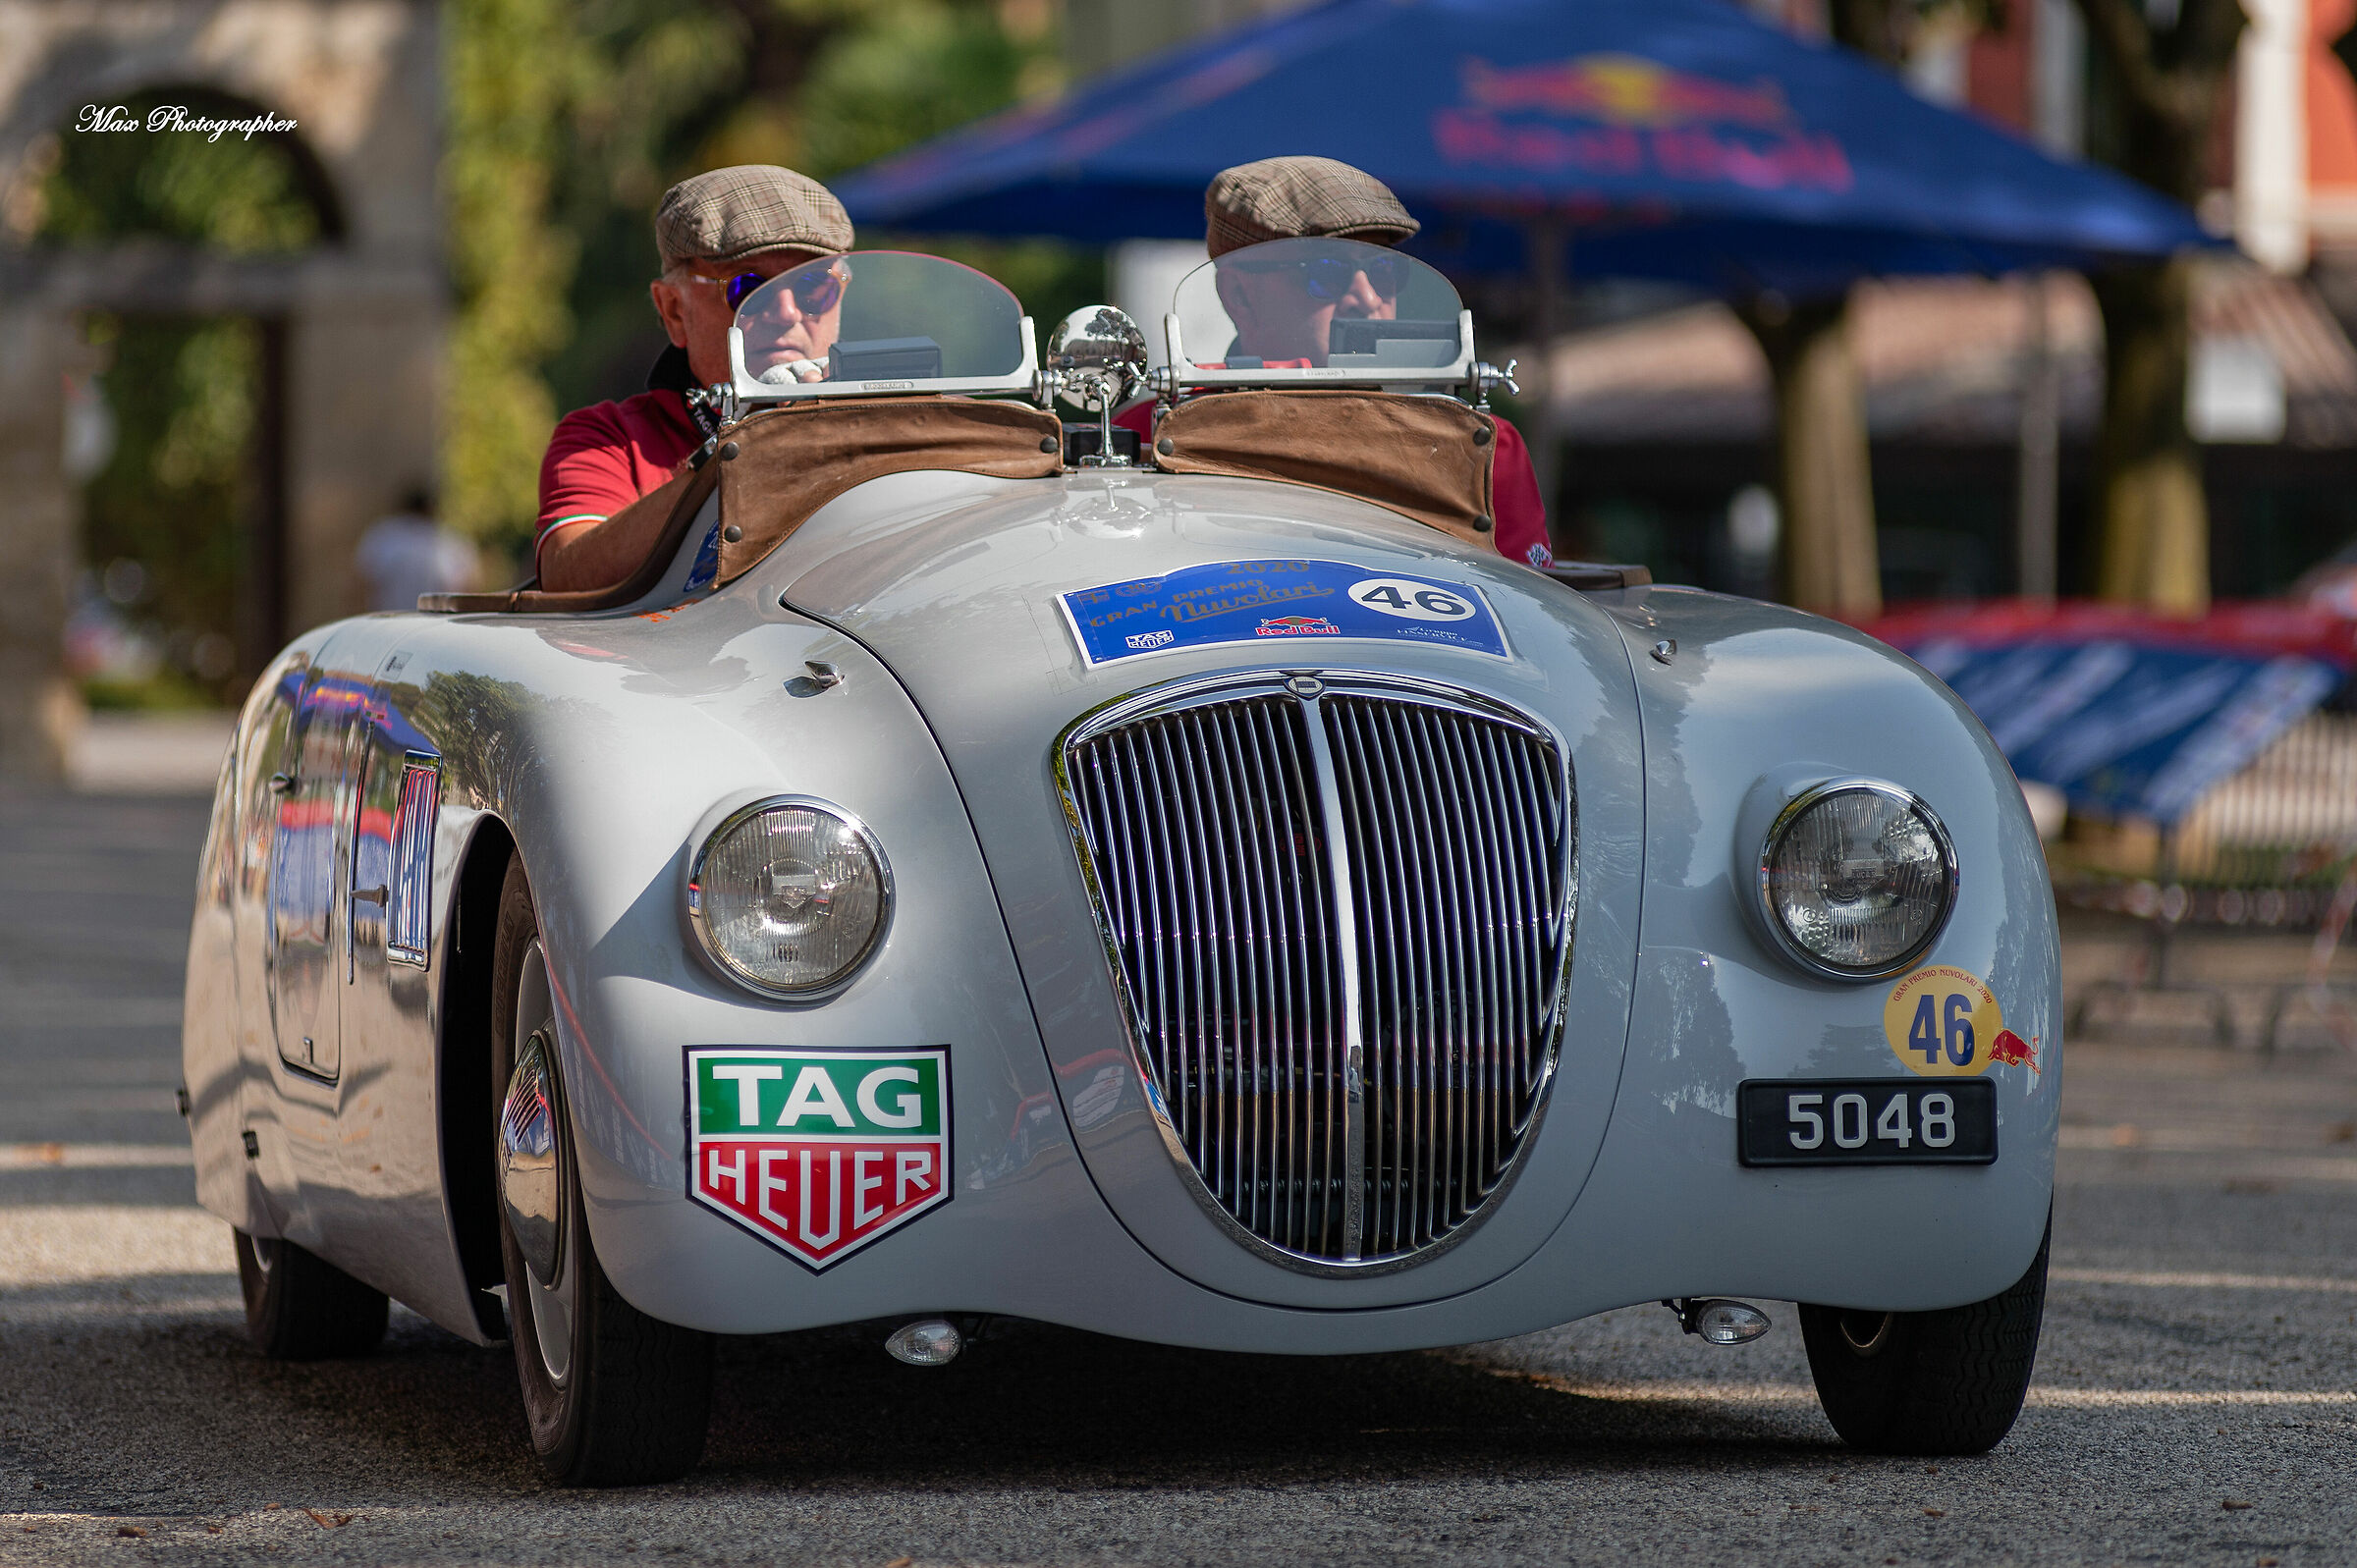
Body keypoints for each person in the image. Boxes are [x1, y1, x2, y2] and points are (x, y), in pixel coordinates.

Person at [1122, 156, 1554, 569]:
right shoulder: (1153, 433)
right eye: (1327, 272)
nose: (1368, 299)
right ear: (1241, 296)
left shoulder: (1477, 444)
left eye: (1386, 271)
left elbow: (1525, 613)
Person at [535, 166, 854, 592]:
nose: (787, 312)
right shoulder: (607, 439)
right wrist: (746, 448)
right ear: (673, 310)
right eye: (747, 288)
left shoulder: (902, 420)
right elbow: (568, 576)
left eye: (813, 286)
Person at [356, 489, 479, 613]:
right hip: (437, 624)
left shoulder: (383, 537)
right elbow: (470, 589)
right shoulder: (453, 541)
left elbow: (360, 586)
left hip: (389, 622)